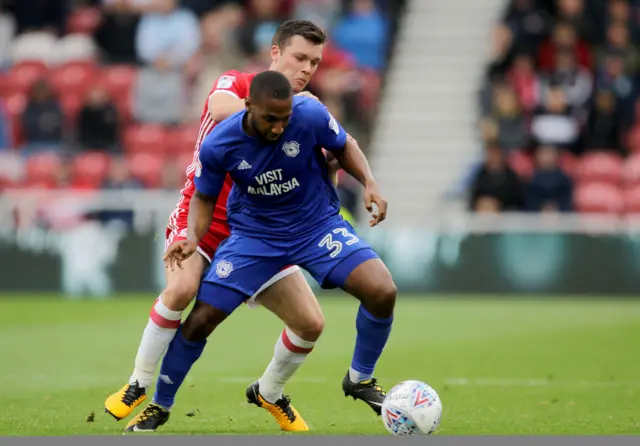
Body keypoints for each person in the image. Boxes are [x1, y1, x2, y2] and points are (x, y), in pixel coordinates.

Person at [104, 20, 365, 432]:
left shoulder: (303, 116)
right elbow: (222, 110)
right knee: (181, 289)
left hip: (261, 230)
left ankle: (270, 392)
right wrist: (282, 108)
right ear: (275, 53)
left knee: (310, 323)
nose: (306, 69)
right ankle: (138, 384)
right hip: (203, 217)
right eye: (299, 57)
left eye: (314, 62)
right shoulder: (237, 82)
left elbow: (327, 161)